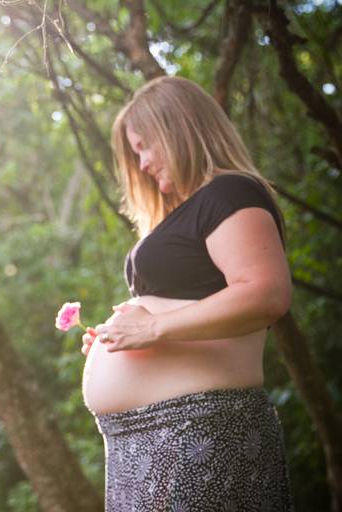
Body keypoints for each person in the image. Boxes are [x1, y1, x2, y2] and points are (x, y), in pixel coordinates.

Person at [79, 76, 295, 510]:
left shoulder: (229, 193)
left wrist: (153, 328)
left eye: (145, 147)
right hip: (148, 440)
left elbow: (265, 293)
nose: (142, 164)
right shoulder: (190, 211)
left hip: (199, 432)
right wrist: (118, 337)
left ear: (176, 128)